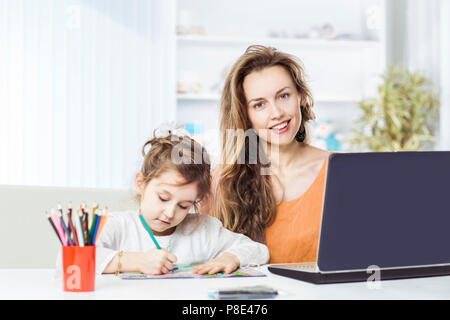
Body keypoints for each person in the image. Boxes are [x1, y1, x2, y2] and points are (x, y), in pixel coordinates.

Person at [56, 125, 269, 275]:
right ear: (141, 183)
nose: (169, 212)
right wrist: (136, 261)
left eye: (184, 205)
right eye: (163, 198)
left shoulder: (203, 229)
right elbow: (65, 261)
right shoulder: (118, 226)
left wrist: (230, 257)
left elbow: (259, 250)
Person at [201, 45, 331, 263]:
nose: (277, 113)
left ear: (302, 96)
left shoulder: (339, 169)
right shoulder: (222, 180)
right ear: (245, 115)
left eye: (283, 96)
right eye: (259, 104)